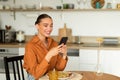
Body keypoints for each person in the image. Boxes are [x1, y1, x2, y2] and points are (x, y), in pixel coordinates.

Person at [23, 14, 68, 80]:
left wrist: (64, 55)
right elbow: (35, 74)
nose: (49, 29)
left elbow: (59, 69)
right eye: (45, 25)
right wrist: (49, 55)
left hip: (48, 77)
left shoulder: (54, 43)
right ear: (37, 26)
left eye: (51, 26)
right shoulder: (30, 46)